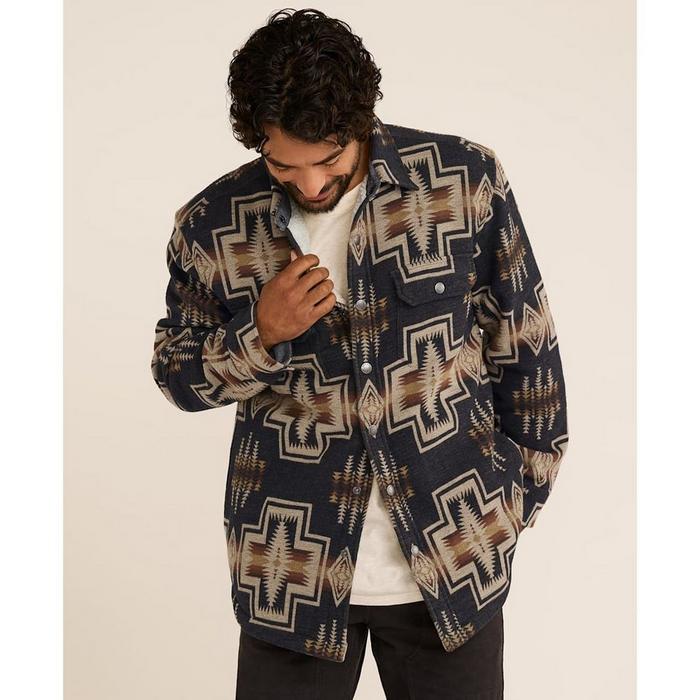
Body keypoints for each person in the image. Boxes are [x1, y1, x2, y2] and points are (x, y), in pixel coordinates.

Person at [151, 8, 569, 700]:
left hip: (453, 565)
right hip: (290, 578)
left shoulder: (462, 183)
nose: (311, 185)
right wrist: (260, 333)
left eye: (329, 161)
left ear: (362, 121)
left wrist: (510, 503)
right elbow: (175, 374)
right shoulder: (212, 224)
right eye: (283, 165)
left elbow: (526, 349)